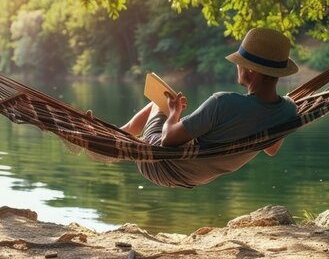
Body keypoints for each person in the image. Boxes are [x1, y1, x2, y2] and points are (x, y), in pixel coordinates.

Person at [120, 27, 300, 188]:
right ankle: (124, 134)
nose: (237, 66)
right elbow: (271, 149)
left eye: (239, 61)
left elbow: (167, 140)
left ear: (250, 69)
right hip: (195, 176)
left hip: (159, 165)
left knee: (160, 101)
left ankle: (122, 134)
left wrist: (174, 112)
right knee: (170, 107)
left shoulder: (223, 103)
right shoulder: (288, 111)